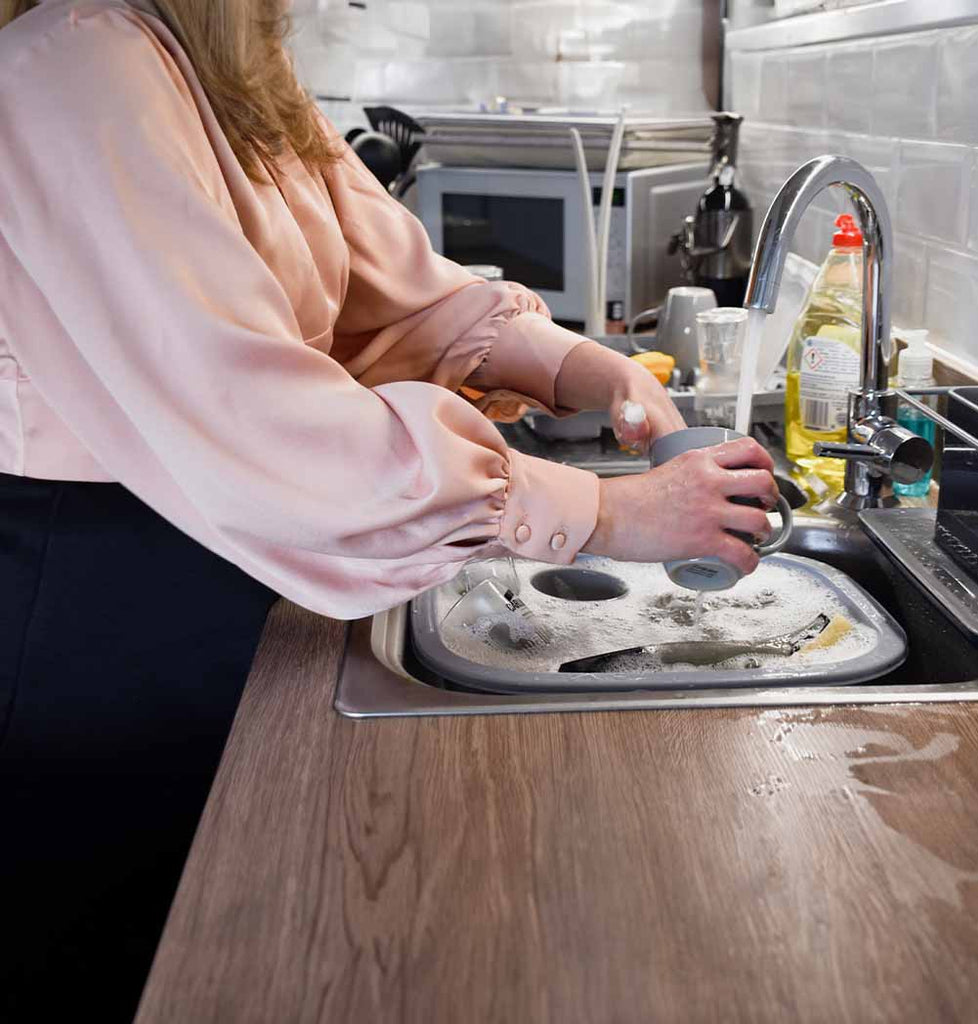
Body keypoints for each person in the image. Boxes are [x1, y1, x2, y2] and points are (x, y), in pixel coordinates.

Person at [0, 0, 779, 1016]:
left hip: (238, 560)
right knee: (110, 945)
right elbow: (257, 415)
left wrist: (583, 366)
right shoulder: (73, 68)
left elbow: (394, 300)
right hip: (99, 601)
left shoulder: (233, 70)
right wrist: (602, 514)